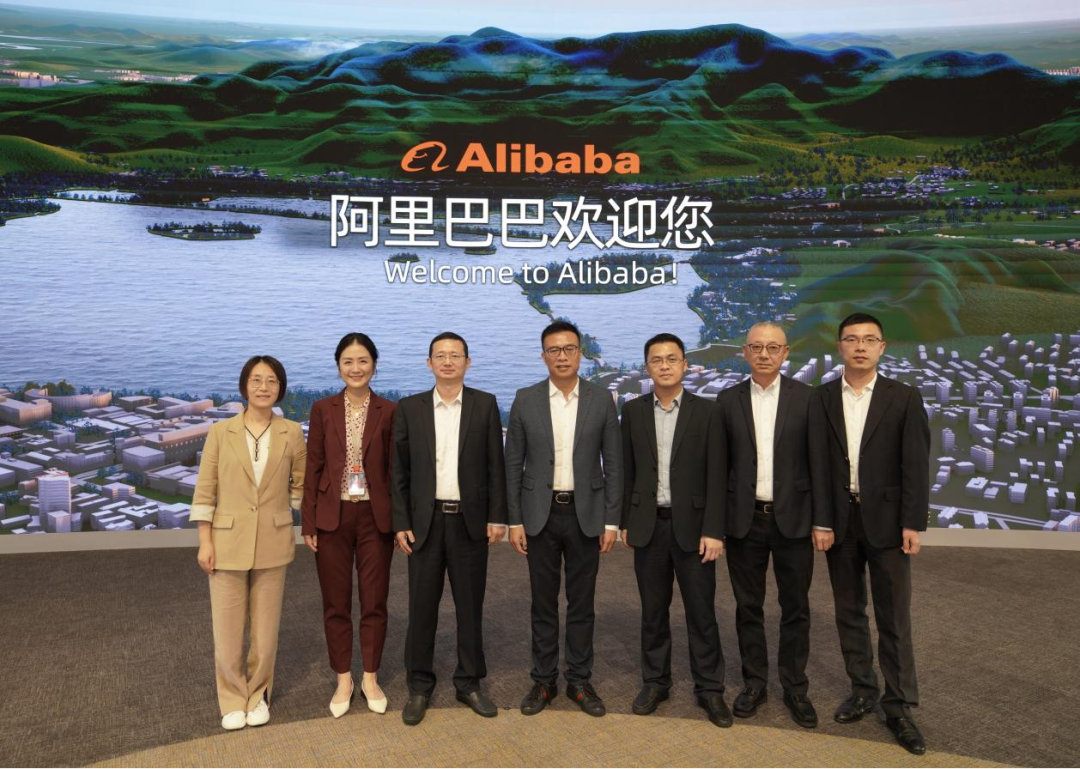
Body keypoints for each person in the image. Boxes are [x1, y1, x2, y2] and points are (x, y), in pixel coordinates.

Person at [809, 312, 930, 756]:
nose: (860, 346)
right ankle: (863, 690)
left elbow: (916, 465)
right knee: (849, 611)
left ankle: (899, 706)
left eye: (869, 339)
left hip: (889, 522)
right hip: (839, 523)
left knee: (894, 617)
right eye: (852, 339)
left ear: (882, 347)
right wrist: (821, 520)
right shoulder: (821, 398)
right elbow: (817, 465)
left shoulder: (904, 397)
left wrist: (912, 522)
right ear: (839, 346)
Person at [505, 320, 622, 717]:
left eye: (569, 349)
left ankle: (579, 681)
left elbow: (614, 463)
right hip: (539, 514)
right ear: (543, 356)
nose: (562, 356)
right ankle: (543, 681)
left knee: (581, 603)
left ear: (580, 353)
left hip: (586, 515)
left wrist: (611, 521)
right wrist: (514, 521)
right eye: (553, 350)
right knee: (542, 603)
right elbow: (513, 464)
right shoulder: (525, 399)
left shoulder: (601, 399)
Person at [392, 332, 507, 726]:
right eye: (440, 356)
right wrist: (401, 522)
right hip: (424, 525)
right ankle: (419, 686)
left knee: (470, 608)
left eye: (455, 355)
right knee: (421, 609)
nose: (447, 361)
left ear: (467, 363)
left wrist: (497, 516)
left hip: (469, 523)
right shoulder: (410, 408)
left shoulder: (484, 404)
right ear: (429, 363)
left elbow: (495, 465)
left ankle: (469, 683)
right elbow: (398, 472)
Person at [619, 333, 730, 728]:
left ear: (685, 365)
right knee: (653, 611)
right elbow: (627, 470)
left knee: (701, 612)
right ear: (647, 367)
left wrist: (714, 530)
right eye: (656, 360)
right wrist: (625, 522)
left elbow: (718, 475)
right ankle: (656, 682)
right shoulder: (632, 411)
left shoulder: (708, 411)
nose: (664, 366)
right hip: (649, 527)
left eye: (671, 359)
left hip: (696, 530)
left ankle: (710, 688)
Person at [716, 322, 822, 729]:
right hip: (744, 520)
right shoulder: (727, 400)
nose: (764, 354)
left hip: (795, 519)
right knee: (748, 607)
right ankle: (754, 684)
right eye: (756, 347)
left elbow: (820, 464)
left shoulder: (808, 398)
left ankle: (795, 687)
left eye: (773, 347)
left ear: (785, 352)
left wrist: (823, 520)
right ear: (745, 352)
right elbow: (719, 467)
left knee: (796, 607)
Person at [191, 355, 306, 731]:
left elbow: (300, 483)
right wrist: (205, 540)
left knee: (265, 631)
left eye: (271, 381)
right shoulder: (220, 432)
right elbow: (205, 490)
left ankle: (258, 695)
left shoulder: (292, 432)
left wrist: (289, 510)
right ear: (244, 386)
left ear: (280, 388)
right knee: (226, 630)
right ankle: (231, 698)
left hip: (273, 539)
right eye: (256, 380)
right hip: (226, 541)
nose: (263, 387)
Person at [301, 333, 397, 718]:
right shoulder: (322, 409)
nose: (355, 368)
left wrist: (400, 521)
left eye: (362, 361)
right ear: (338, 366)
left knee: (374, 600)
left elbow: (395, 471)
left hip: (375, 517)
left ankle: (370, 677)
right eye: (348, 361)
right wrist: (309, 521)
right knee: (335, 602)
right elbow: (313, 466)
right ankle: (343, 678)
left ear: (374, 364)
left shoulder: (390, 411)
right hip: (332, 516)